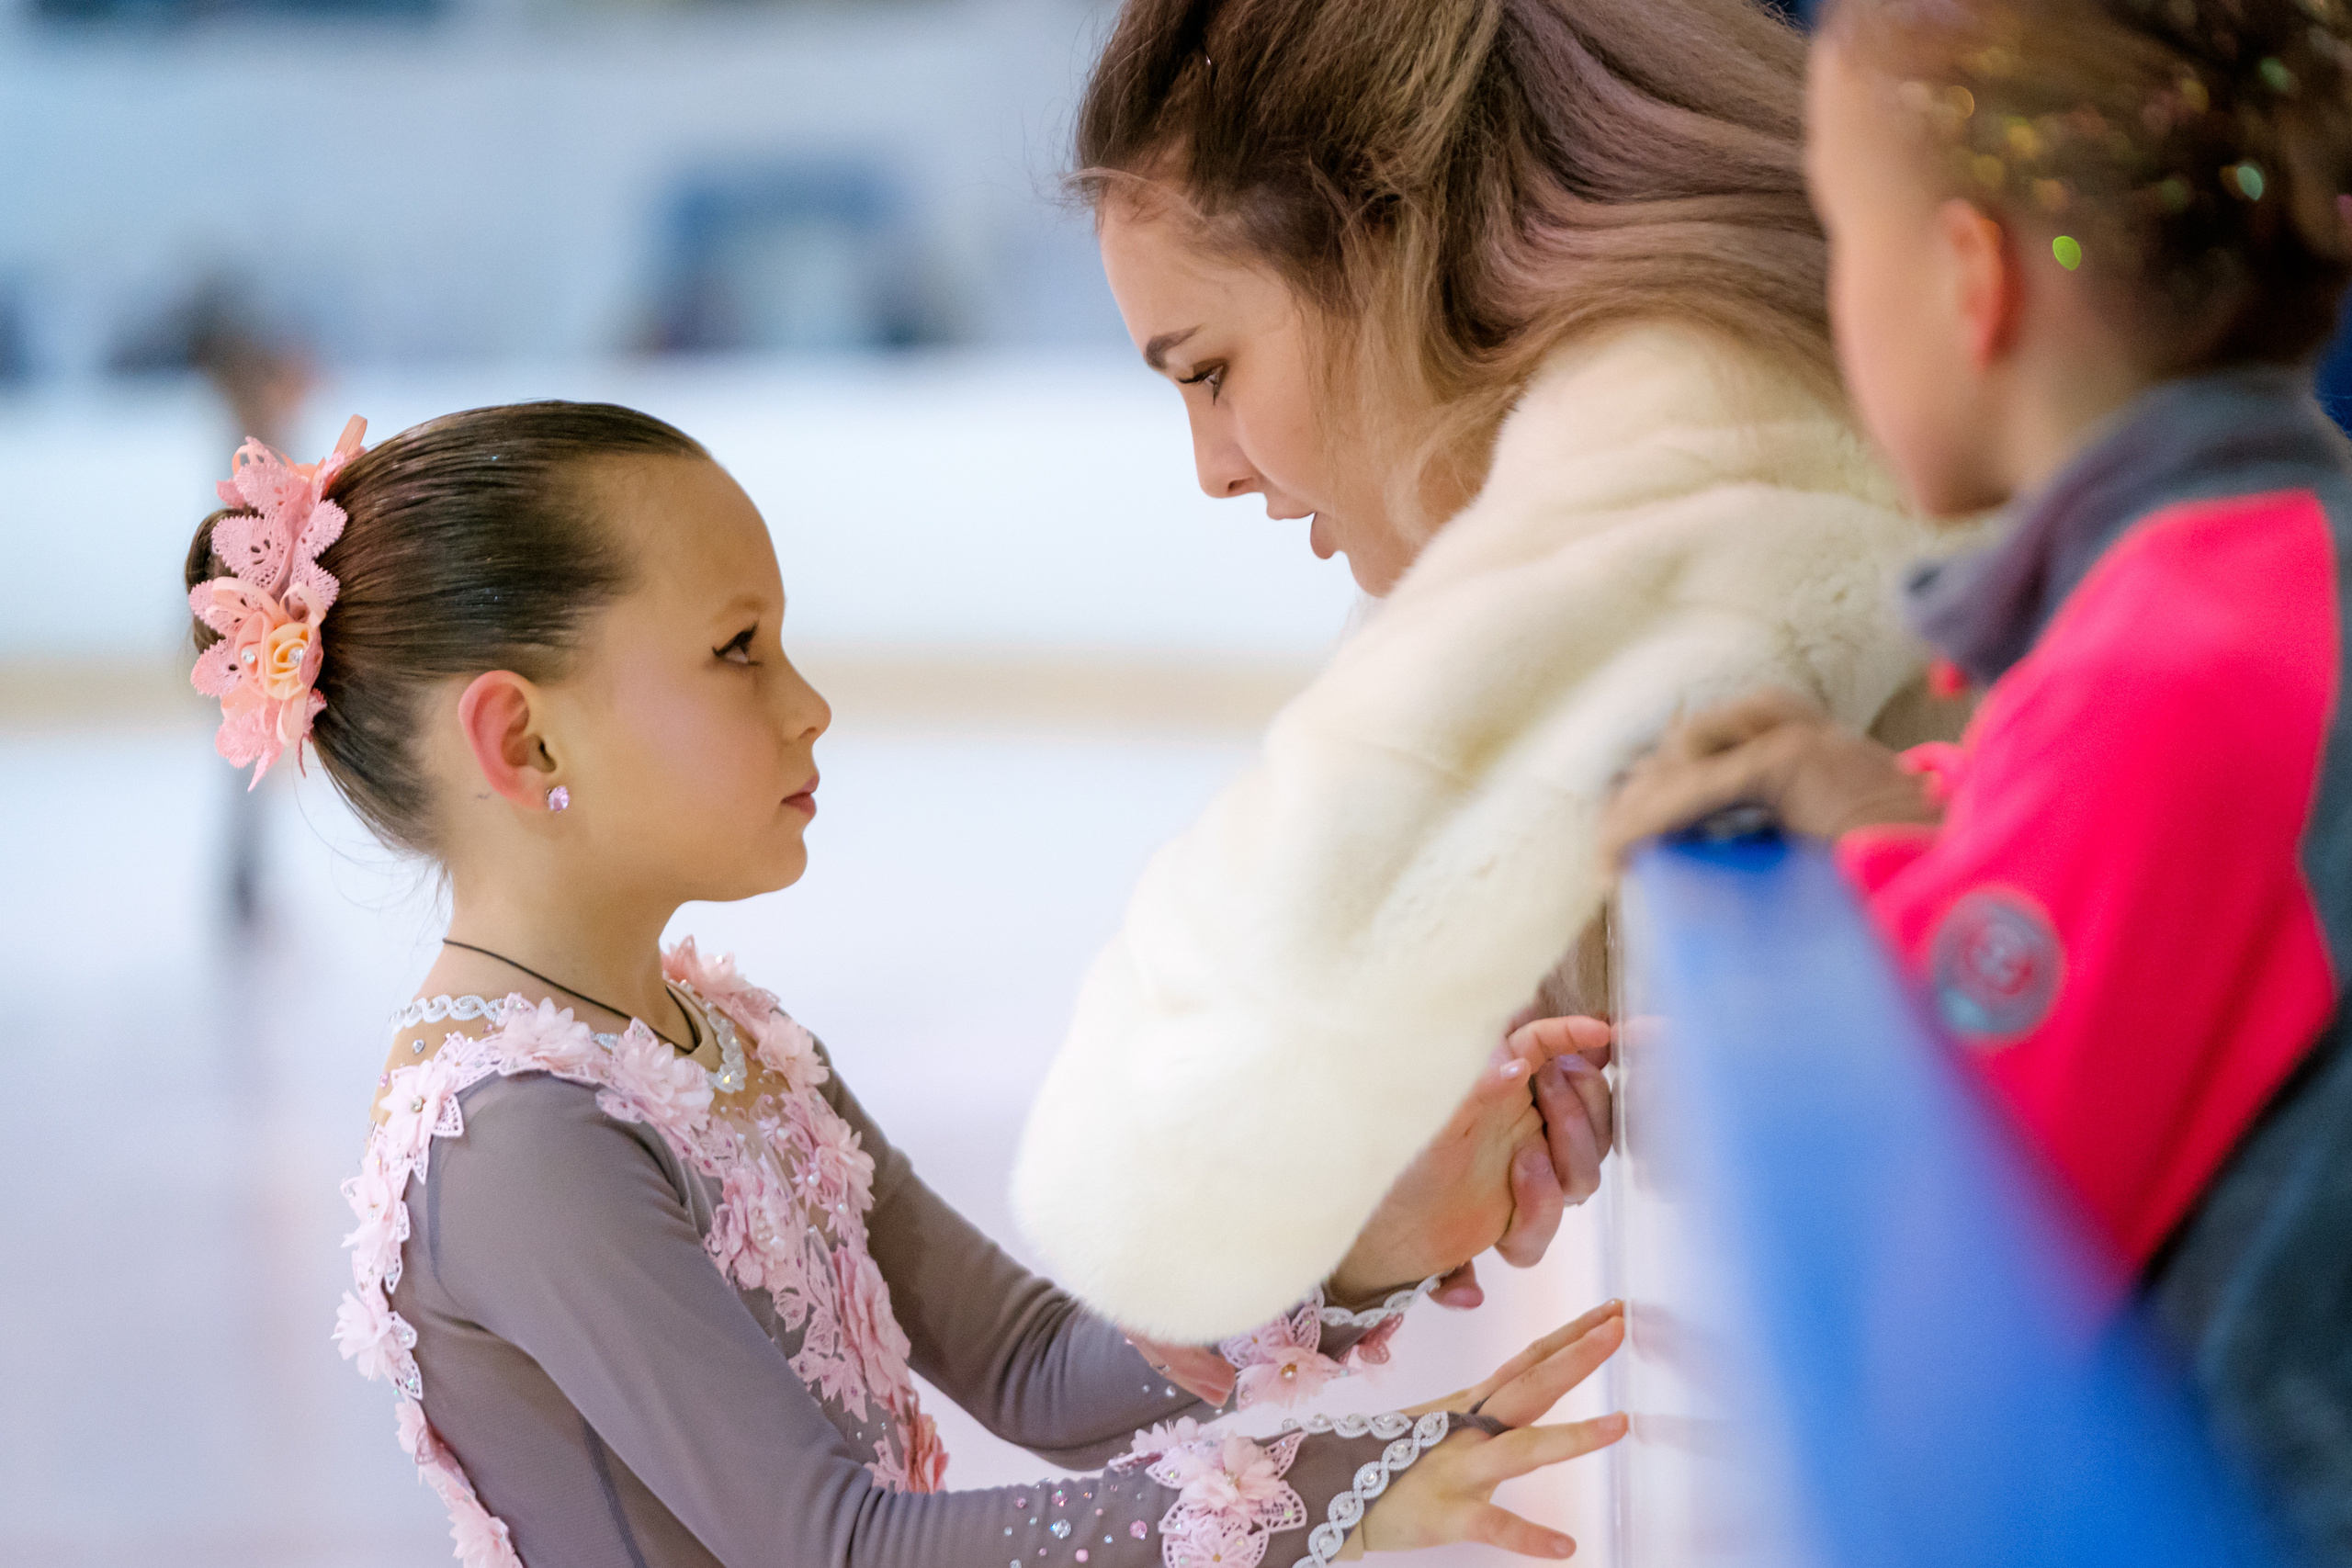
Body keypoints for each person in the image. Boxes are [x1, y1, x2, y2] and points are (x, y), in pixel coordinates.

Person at [182, 402, 1629, 1567]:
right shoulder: (515, 1144)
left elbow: (1039, 1372)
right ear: (525, 744)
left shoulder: (731, 1040)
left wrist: (1363, 1241)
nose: (809, 702)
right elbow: (838, 1546)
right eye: (739, 650)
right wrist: (1345, 1488)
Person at [1012, 0, 1952, 1340]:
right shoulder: (1658, 442)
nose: (1214, 470)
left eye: (1212, 370)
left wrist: (1337, 1208)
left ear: (1383, 238)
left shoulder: (1689, 442)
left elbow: (1169, 1178)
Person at [1599, 1, 2352, 1558]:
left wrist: (1870, 873)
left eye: (1835, 233)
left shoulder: (2173, 662)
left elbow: (1967, 1187)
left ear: (1968, 280)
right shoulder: (2250, 575)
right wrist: (1905, 802)